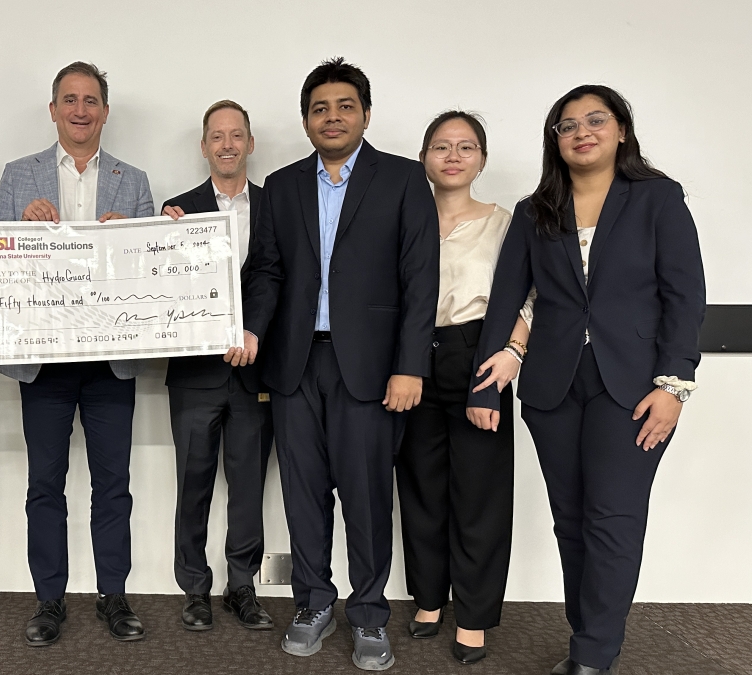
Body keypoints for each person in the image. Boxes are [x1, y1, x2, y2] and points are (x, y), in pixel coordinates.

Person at [468, 85, 705, 675]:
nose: (582, 132)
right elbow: (508, 298)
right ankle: (590, 633)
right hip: (552, 388)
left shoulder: (657, 199)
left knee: (613, 518)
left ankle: (593, 656)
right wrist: (483, 385)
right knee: (570, 520)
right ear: (555, 140)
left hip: (634, 389)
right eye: (567, 125)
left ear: (621, 129)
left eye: (595, 120)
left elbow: (684, 296)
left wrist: (674, 386)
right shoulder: (536, 209)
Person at [237, 57, 440, 670]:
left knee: (368, 494)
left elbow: (418, 279)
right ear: (305, 121)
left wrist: (410, 367)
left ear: (366, 115)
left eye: (344, 106)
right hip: (296, 365)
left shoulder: (404, 180)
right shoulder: (282, 186)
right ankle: (313, 601)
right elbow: (269, 271)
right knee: (303, 494)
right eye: (320, 108)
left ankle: (370, 613)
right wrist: (251, 326)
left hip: (374, 371)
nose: (332, 117)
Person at [0, 61, 155, 646]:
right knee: (45, 484)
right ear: (53, 109)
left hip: (111, 361)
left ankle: (114, 595)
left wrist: (128, 237)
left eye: (90, 100)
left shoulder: (133, 181)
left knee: (113, 484)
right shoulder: (18, 175)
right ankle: (49, 600)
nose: (80, 110)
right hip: (44, 361)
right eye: (69, 99)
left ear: (104, 111)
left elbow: (151, 271)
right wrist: (17, 224)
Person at [396, 111, 532, 665]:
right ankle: (429, 600)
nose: (453, 156)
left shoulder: (504, 222)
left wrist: (511, 356)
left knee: (479, 495)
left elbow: (533, 295)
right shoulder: (404, 216)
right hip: (410, 359)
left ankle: (473, 616)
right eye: (441, 146)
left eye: (466, 147)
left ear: (481, 158)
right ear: (424, 156)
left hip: (479, 356)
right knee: (421, 487)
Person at [161, 100, 274, 632]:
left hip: (256, 371)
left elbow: (278, 277)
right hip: (194, 375)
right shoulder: (176, 210)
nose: (227, 145)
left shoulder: (277, 205)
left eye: (237, 135)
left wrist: (255, 332)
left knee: (249, 485)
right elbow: (157, 283)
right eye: (217, 136)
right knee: (193, 483)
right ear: (204, 146)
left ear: (250, 144)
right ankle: (195, 588)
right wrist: (158, 241)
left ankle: (243, 587)